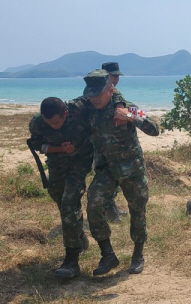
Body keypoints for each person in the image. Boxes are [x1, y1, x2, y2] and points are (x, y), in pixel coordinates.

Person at [83, 69, 159, 275]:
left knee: (137, 211)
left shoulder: (129, 108)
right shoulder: (89, 109)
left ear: (111, 90)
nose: (94, 98)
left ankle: (138, 254)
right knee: (93, 205)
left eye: (98, 93)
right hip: (107, 170)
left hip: (131, 169)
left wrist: (131, 118)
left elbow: (154, 127)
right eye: (91, 94)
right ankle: (108, 254)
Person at [28, 97, 93, 279]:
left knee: (69, 205)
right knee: (60, 199)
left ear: (65, 113)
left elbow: (105, 100)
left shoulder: (79, 110)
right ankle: (78, 237)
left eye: (56, 122)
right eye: (49, 123)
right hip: (57, 165)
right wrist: (59, 149)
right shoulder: (38, 123)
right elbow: (36, 144)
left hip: (80, 164)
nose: (53, 126)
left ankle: (71, 260)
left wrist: (127, 111)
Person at [100, 62, 127, 222]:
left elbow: (125, 108)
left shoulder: (114, 92)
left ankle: (111, 209)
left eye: (117, 75)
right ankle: (108, 211)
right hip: (103, 144)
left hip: (114, 143)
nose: (116, 78)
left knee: (115, 180)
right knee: (107, 179)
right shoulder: (99, 92)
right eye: (113, 75)